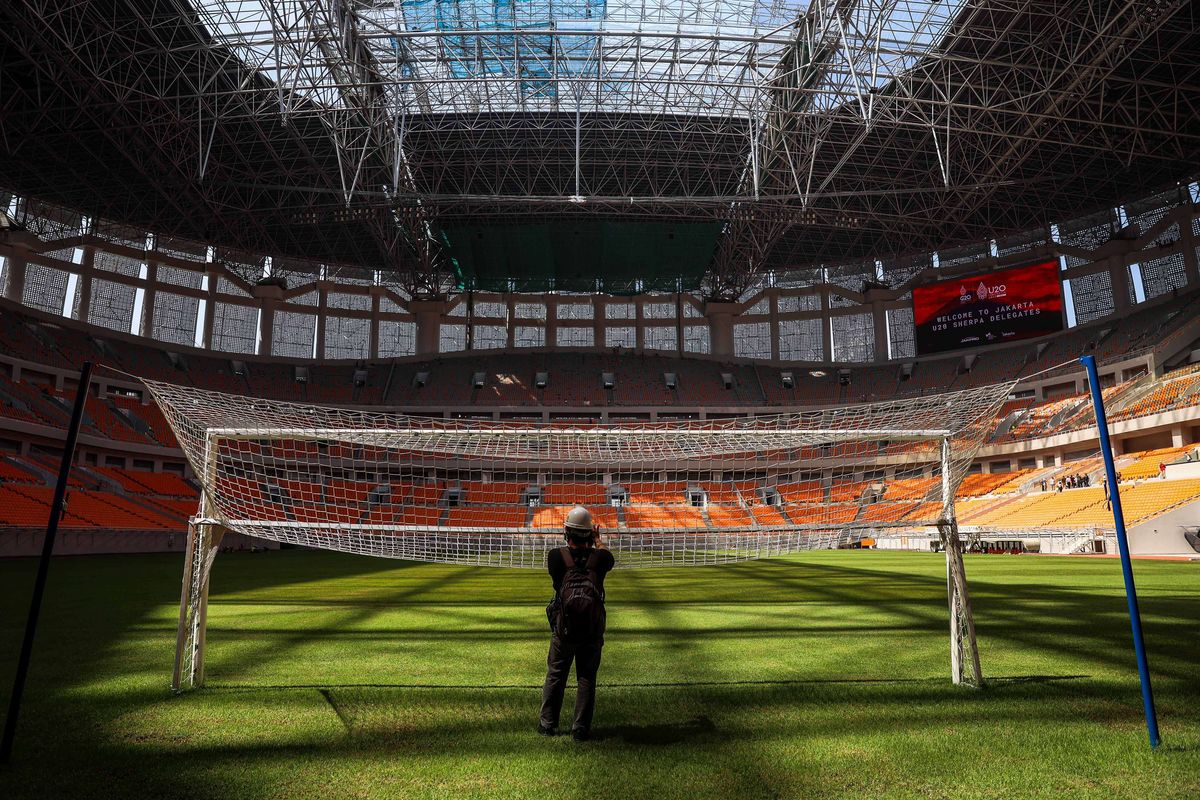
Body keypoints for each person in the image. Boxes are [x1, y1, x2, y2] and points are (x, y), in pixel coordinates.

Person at [539, 506, 615, 741]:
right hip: (591, 631)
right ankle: (580, 729)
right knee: (586, 678)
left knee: (556, 674)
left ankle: (547, 724)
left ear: (567, 532)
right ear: (590, 533)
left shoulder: (555, 557)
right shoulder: (601, 558)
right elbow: (606, 555)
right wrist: (598, 541)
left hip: (564, 629)